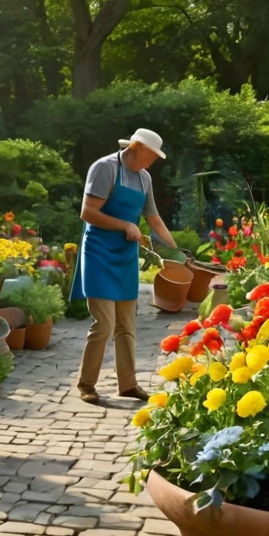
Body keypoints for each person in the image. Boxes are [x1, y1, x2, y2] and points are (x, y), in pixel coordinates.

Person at [71, 129, 177, 404]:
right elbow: (88, 212)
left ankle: (128, 385)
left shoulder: (144, 177)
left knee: (126, 324)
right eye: (151, 155)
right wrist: (125, 225)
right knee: (105, 323)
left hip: (125, 256)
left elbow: (152, 217)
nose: (153, 161)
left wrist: (176, 250)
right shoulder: (105, 168)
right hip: (99, 253)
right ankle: (86, 384)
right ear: (137, 146)